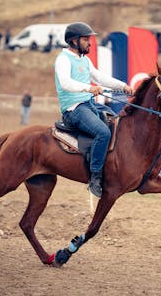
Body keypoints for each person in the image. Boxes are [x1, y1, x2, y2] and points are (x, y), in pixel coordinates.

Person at [54, 22, 133, 198]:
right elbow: (66, 83)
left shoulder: (84, 60)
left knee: (116, 120)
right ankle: (95, 177)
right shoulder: (63, 59)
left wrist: (123, 86)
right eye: (86, 39)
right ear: (74, 41)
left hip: (89, 105)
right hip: (73, 109)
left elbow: (100, 77)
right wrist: (89, 89)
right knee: (103, 133)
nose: (90, 43)